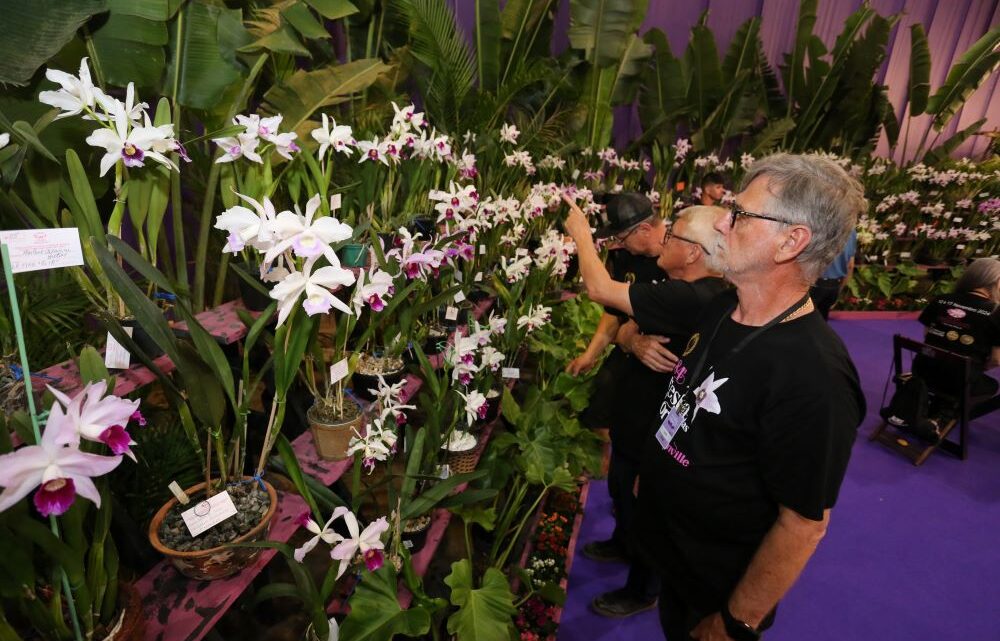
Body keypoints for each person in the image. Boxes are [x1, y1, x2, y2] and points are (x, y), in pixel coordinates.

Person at [635, 153, 866, 640]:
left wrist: (736, 622)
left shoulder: (814, 377)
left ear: (791, 241)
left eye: (740, 213)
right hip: (673, 552)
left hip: (718, 583)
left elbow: (803, 524)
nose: (721, 221)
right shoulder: (722, 307)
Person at [564, 198, 728, 619]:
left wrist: (581, 234)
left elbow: (602, 291)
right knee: (621, 482)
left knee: (650, 506)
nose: (664, 239)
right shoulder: (678, 288)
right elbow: (627, 322)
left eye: (672, 235)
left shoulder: (696, 295)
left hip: (663, 421)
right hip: (638, 406)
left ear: (693, 251)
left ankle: (643, 587)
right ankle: (623, 542)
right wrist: (631, 341)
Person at [569, 193, 667, 434]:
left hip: (665, 368)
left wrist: (582, 237)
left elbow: (599, 290)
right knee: (601, 404)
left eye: (621, 238)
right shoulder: (625, 256)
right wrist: (590, 354)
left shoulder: (677, 259)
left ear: (644, 229)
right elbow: (613, 312)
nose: (618, 245)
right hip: (629, 354)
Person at [914, 258, 1000, 414]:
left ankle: (938, 407)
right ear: (997, 282)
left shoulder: (941, 300)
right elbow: (996, 360)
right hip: (959, 380)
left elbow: (928, 336)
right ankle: (952, 415)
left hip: (922, 369)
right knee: (991, 385)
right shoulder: (996, 312)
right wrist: (981, 367)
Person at [810, 229, 856, 319]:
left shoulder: (818, 226)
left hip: (814, 283)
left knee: (805, 324)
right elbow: (850, 265)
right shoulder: (850, 231)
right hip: (834, 285)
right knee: (822, 323)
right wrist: (840, 289)